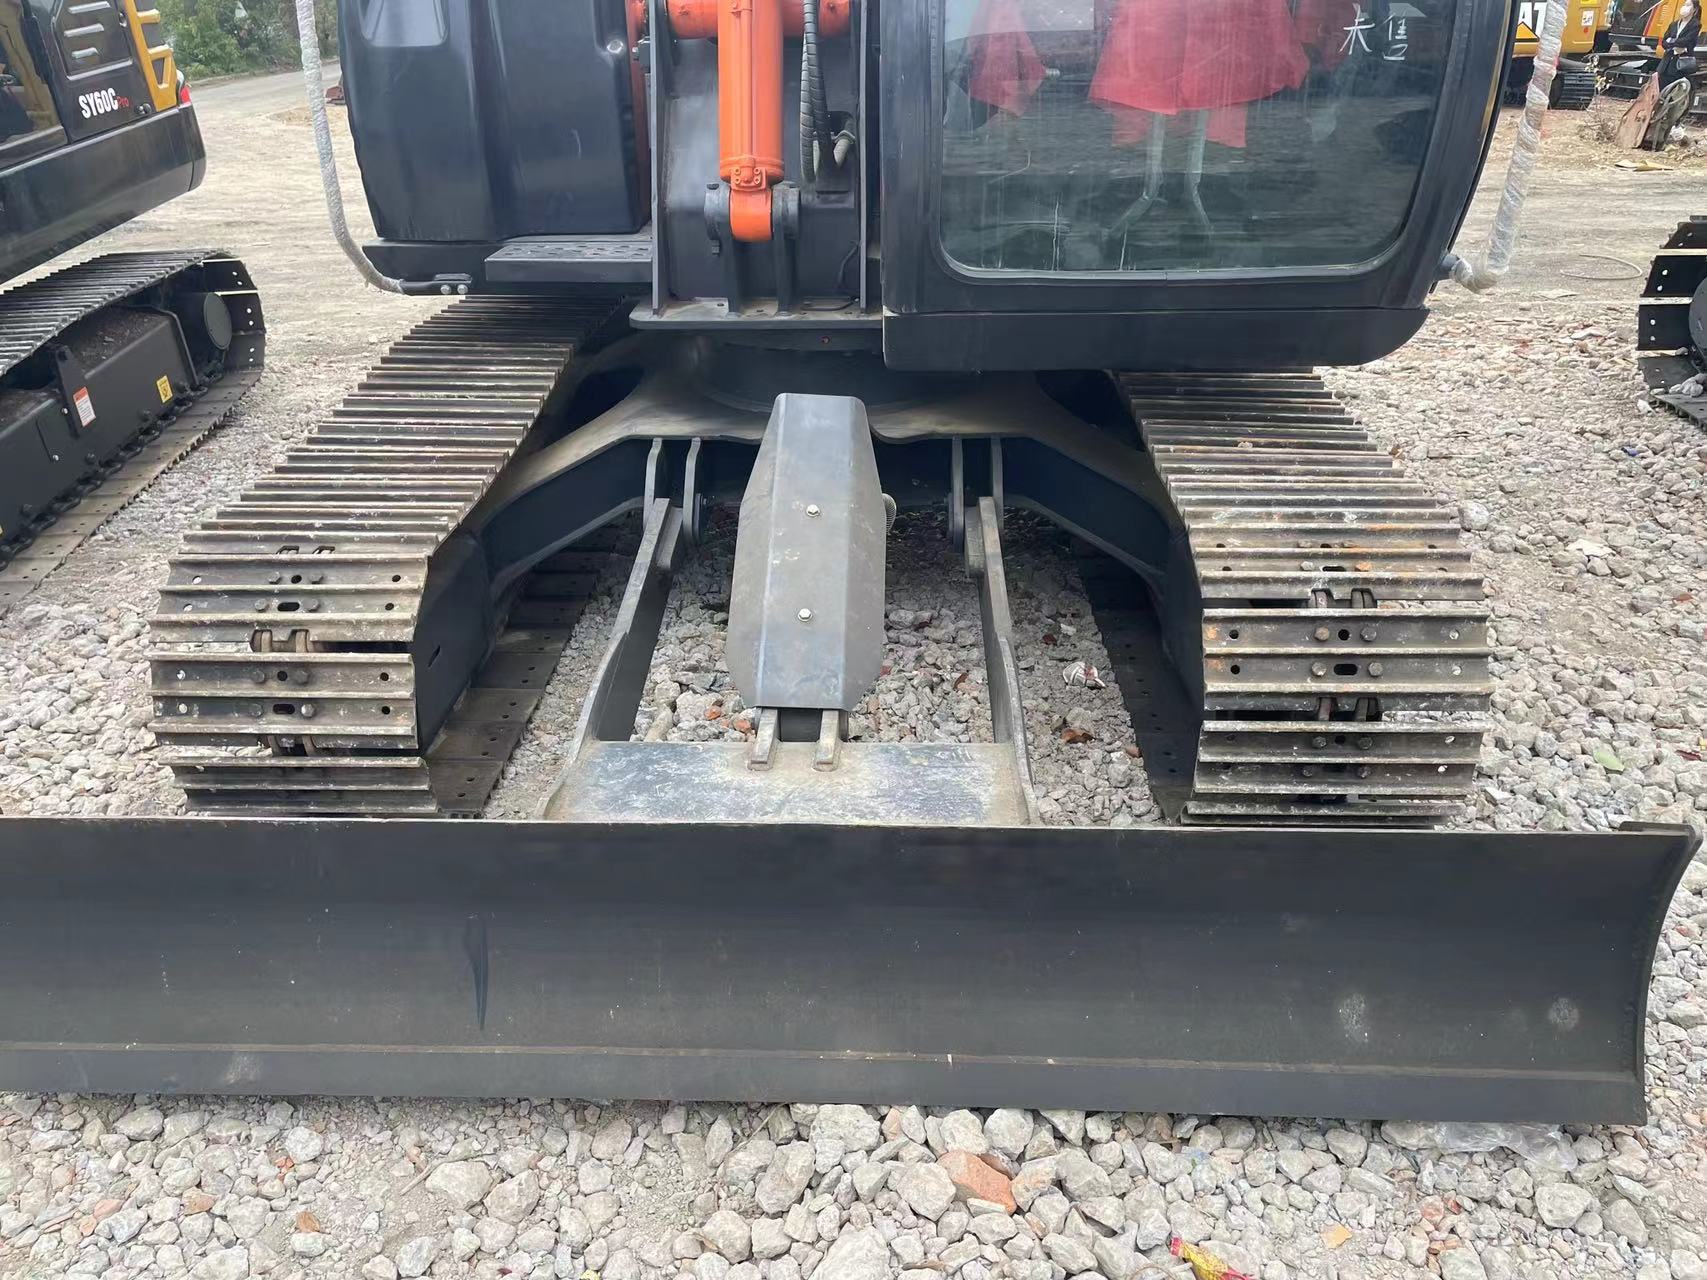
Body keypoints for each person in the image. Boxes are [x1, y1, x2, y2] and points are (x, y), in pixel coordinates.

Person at [1658, 0, 1700, 91]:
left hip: (1681, 63)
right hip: (1667, 62)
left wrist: (1671, 42)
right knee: (1662, 87)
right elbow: (1664, 41)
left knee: (1676, 90)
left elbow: (1687, 41)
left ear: (1694, 9)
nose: (1685, 7)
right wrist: (1673, 43)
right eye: (1684, 4)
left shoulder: (1695, 25)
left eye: (1688, 5)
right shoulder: (1674, 24)